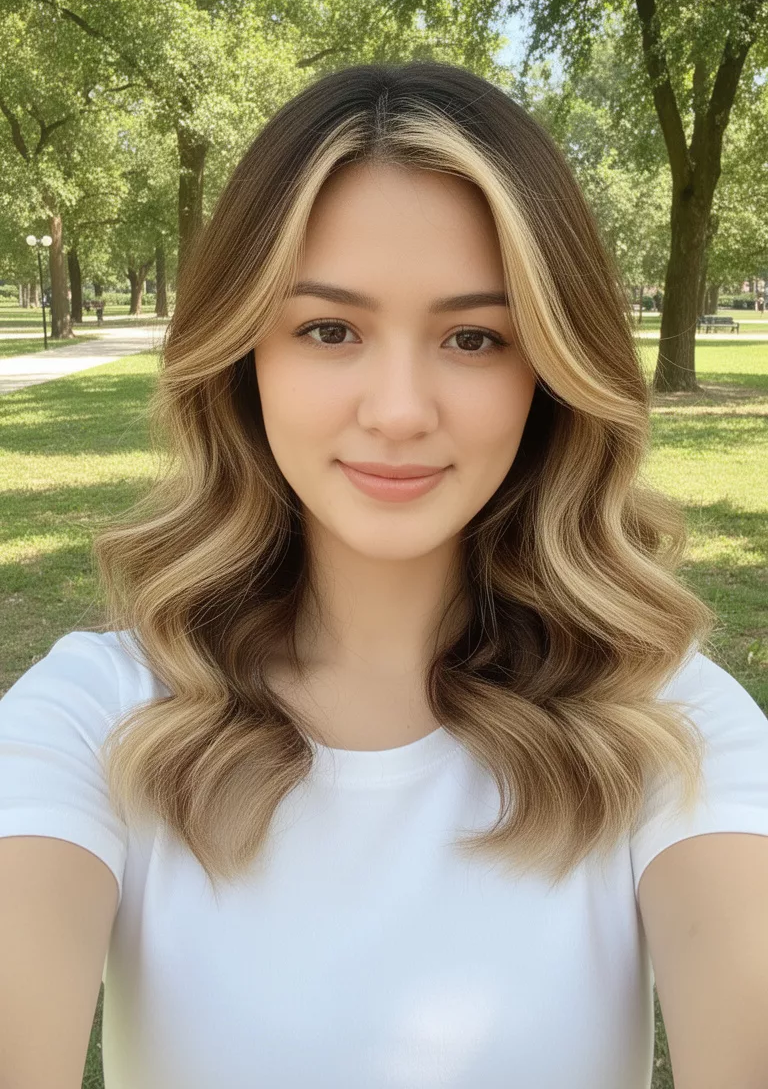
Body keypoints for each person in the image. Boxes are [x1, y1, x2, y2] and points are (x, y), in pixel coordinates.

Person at [2, 61, 768, 1089]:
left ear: (547, 369)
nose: (400, 409)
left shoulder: (671, 731)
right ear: (243, 357)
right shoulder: (92, 719)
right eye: (329, 330)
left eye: (473, 337)